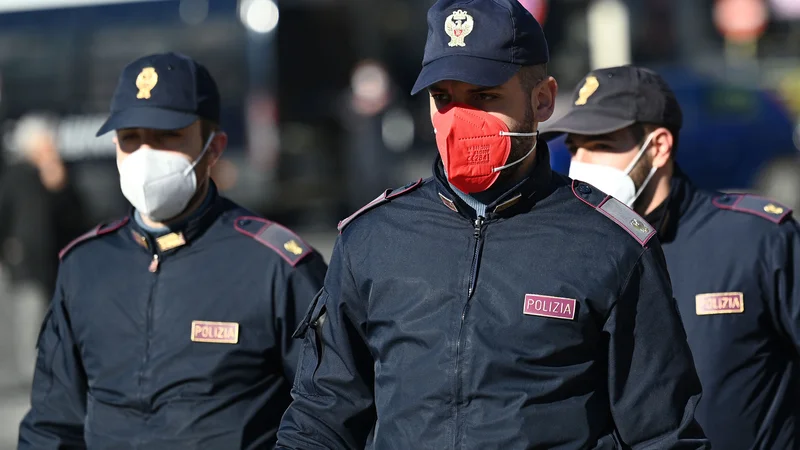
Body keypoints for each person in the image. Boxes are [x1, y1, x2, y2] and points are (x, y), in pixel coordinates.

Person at [277, 2, 709, 448]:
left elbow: (662, 435)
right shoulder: (372, 238)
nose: (459, 121)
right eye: (443, 98)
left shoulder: (612, 244)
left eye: (484, 96)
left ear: (542, 99)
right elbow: (322, 416)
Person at [18, 52, 328, 449]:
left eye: (167, 137)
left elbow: (329, 413)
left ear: (213, 148)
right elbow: (52, 424)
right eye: (131, 139)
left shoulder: (276, 266)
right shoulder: (85, 266)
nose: (145, 156)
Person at [541, 65, 800, 450]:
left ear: (659, 146)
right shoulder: (571, 253)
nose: (580, 162)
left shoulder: (756, 240)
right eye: (575, 146)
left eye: (601, 144)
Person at [0, 113, 87, 382]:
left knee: (56, 314)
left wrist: (59, 186)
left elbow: (76, 216)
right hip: (26, 260)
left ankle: (53, 368)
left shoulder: (60, 173)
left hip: (57, 259)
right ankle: (33, 372)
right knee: (31, 312)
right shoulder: (16, 175)